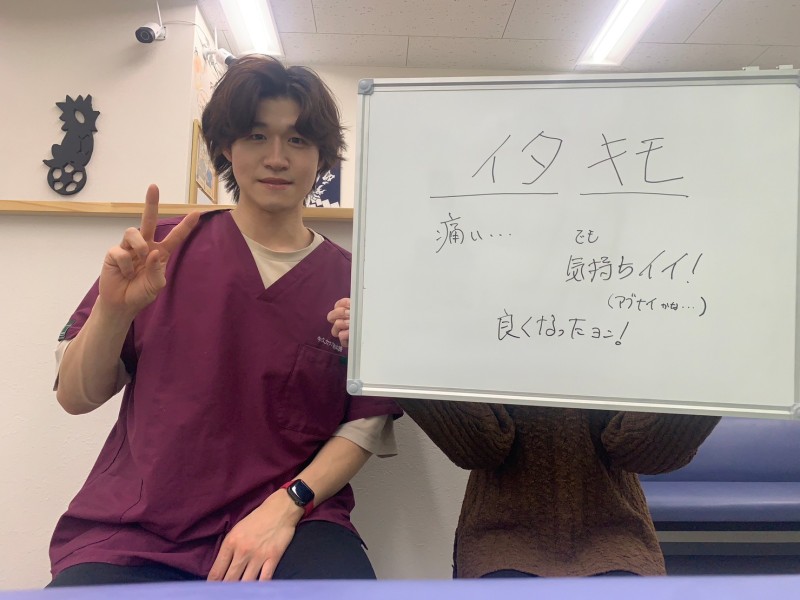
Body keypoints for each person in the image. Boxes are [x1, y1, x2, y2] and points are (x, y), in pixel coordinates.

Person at [48, 55, 401, 587]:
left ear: (323, 157)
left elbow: (364, 424)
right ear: (226, 149)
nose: (277, 158)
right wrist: (113, 312)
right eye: (257, 136)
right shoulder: (161, 253)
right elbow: (75, 398)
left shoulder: (355, 284)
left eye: (298, 140)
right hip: (140, 525)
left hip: (293, 519)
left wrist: (288, 505)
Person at [328, 298, 719, 578]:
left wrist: (722, 372)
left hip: (615, 535)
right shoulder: (480, 288)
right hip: (500, 539)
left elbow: (639, 451)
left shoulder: (632, 293)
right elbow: (482, 445)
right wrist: (394, 354)